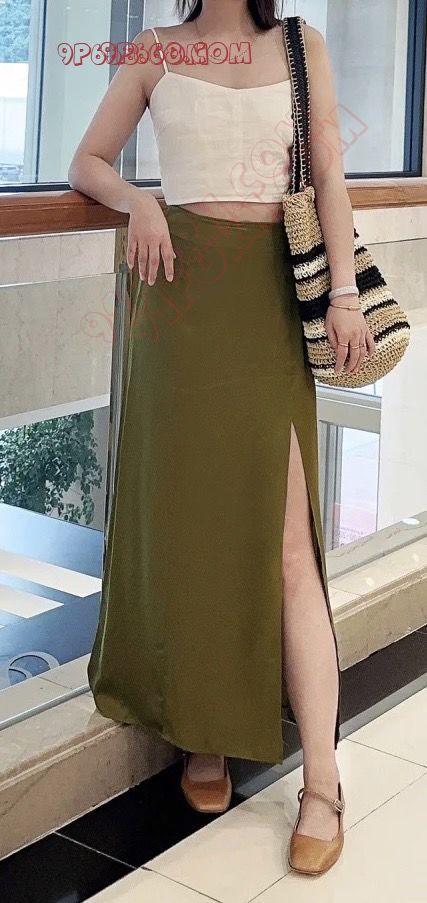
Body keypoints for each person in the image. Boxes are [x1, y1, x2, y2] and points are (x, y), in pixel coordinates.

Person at [69, 0, 375, 876]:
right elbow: (86, 161)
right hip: (179, 302)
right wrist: (139, 201)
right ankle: (201, 735)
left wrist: (345, 295)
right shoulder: (154, 49)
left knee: (287, 547)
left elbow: (328, 177)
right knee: (191, 528)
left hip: (270, 301)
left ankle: (323, 782)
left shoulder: (299, 44)